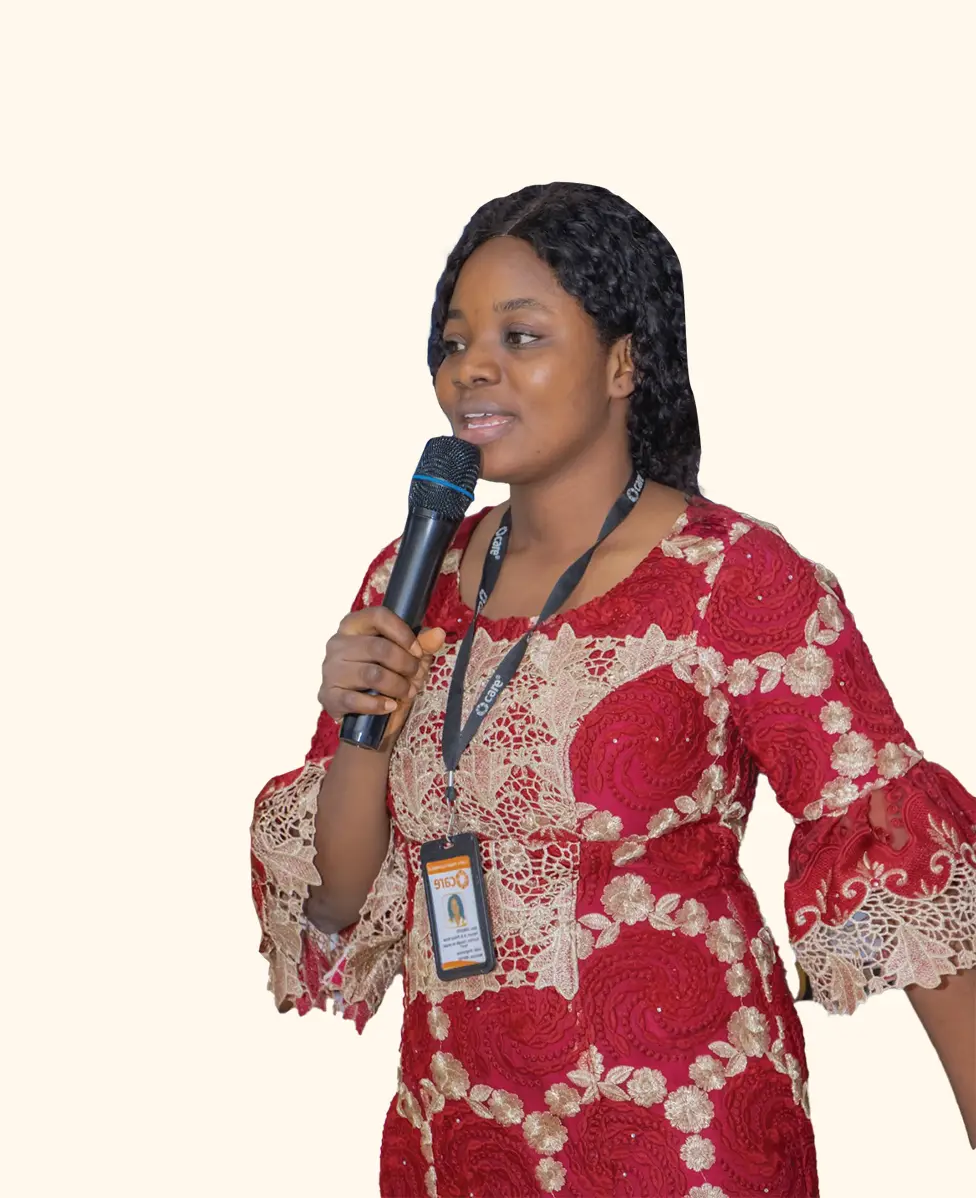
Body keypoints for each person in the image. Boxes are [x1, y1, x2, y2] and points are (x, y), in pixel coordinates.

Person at [248, 183, 976, 1197]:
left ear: (625, 362)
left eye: (521, 333)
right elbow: (336, 896)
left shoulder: (735, 580)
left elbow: (884, 851)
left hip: (683, 1137)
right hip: (455, 1136)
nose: (473, 368)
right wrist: (362, 731)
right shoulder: (403, 584)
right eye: (455, 340)